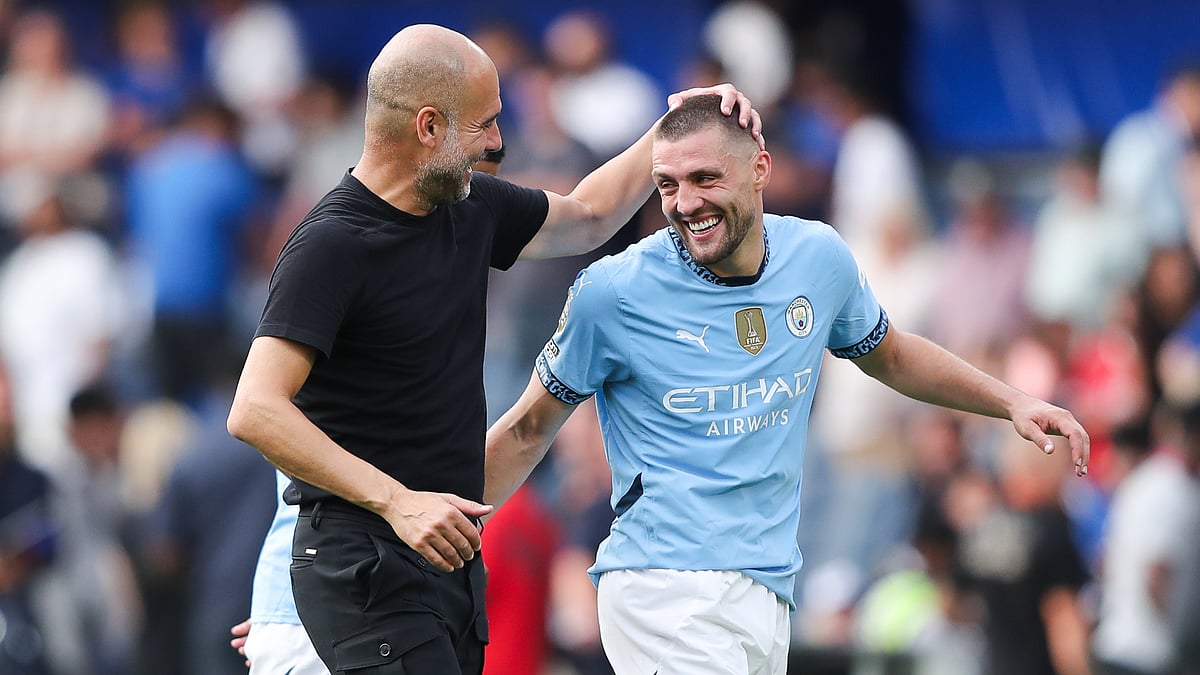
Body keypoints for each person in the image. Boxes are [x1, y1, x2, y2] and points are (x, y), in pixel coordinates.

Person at [483, 94, 1091, 674]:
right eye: (667, 184)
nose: (685, 202)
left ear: (760, 170)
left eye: (705, 179)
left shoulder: (817, 257)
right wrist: (429, 523)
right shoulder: (613, 292)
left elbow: (895, 356)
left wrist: (1011, 400)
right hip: (662, 587)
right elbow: (529, 424)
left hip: (766, 587)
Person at [225, 23, 759, 675]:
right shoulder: (332, 243)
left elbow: (589, 214)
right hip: (361, 575)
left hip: (436, 577)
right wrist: (395, 506)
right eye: (485, 123)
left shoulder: (467, 209)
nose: (499, 142)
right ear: (427, 127)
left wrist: (674, 126)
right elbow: (254, 409)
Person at [229, 145, 510, 675]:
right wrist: (289, 616)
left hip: (342, 606)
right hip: (330, 612)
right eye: (459, 193)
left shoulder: (412, 318)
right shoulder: (346, 272)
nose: (461, 218)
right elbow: (255, 418)